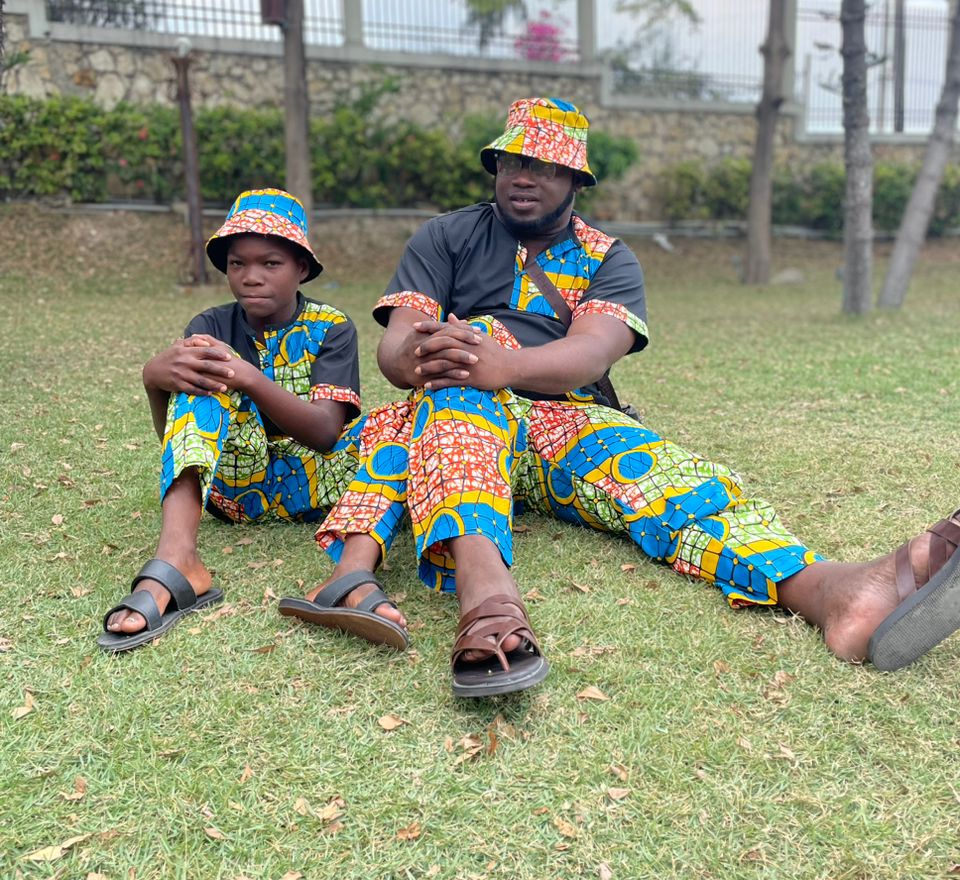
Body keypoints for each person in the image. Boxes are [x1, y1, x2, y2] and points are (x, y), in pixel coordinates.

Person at [283, 98, 960, 695]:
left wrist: (504, 364)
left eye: (546, 167)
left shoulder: (609, 257)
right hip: (446, 416)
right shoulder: (446, 236)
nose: (525, 176)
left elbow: (592, 351)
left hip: (561, 415)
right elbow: (395, 349)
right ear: (495, 168)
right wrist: (431, 353)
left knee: (664, 478)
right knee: (456, 387)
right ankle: (488, 602)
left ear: (575, 181)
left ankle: (832, 593)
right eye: (512, 162)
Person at [99, 188, 407, 653]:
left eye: (270, 263)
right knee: (197, 385)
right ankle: (177, 558)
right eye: (237, 264)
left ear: (301, 268)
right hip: (235, 490)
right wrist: (153, 383)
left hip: (325, 488)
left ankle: (353, 569)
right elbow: (179, 438)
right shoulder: (211, 325)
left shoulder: (332, 327)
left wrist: (248, 377)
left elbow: (326, 433)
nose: (250, 277)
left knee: (399, 419)